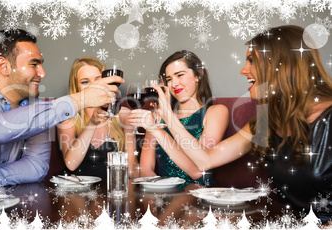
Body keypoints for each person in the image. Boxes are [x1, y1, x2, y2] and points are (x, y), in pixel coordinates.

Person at [131, 25, 332, 223]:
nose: (243, 70)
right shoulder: (265, 121)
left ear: (281, 63)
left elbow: (196, 170)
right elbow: (205, 160)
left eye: (252, 61)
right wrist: (163, 119)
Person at [0, 29, 124, 196]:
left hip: (6, 204)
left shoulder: (37, 110)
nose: (43, 73)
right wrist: (81, 99)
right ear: (4, 65)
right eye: (34, 64)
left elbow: (36, 167)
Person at [136, 50, 229, 185]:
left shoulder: (216, 112)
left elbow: (198, 170)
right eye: (169, 79)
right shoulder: (156, 116)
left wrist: (163, 125)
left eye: (180, 75)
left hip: (200, 194)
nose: (174, 84)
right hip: (163, 196)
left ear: (198, 75)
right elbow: (145, 170)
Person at [57, 57, 138, 179]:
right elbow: (71, 165)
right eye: (85, 82)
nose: (94, 86)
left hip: (112, 190)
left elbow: (132, 171)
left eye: (98, 79)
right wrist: (92, 123)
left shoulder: (123, 114)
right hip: (78, 191)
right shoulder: (68, 117)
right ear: (77, 87)